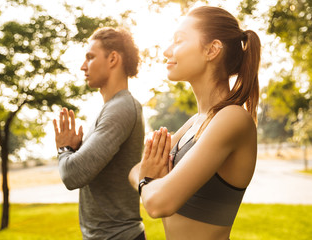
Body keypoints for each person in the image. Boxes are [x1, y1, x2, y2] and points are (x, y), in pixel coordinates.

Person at [129, 6, 261, 240]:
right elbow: (135, 170)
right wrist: (150, 180)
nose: (167, 51)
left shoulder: (232, 118)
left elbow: (158, 204)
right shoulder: (195, 122)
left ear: (212, 50)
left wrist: (148, 182)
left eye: (179, 40)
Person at [53, 27, 146, 240]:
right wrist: (77, 150)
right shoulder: (110, 108)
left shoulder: (121, 108)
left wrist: (64, 149)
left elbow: (72, 175)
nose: (83, 66)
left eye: (90, 57)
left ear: (113, 59)